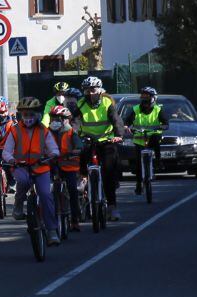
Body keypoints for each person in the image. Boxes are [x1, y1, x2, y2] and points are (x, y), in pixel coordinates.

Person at [4, 97, 60, 246]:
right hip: (21, 167)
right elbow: (7, 151)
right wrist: (11, 160)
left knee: (46, 195)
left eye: (30, 114)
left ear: (37, 115)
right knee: (23, 181)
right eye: (25, 114)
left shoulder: (44, 131)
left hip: (41, 167)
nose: (28, 118)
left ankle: (52, 231)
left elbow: (53, 148)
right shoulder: (15, 130)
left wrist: (53, 154)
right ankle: (18, 205)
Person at [70, 75, 125, 221]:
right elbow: (75, 121)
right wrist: (74, 132)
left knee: (108, 172)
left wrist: (119, 134)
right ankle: (83, 178)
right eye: (87, 90)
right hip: (88, 139)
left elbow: (116, 120)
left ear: (100, 90)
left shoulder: (107, 102)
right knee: (81, 152)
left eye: (93, 89)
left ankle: (112, 207)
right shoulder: (81, 103)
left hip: (107, 140)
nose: (90, 93)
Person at [123, 86, 169, 195]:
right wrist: (126, 127)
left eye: (148, 98)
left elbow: (165, 123)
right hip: (139, 138)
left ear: (153, 99)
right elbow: (127, 122)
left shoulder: (158, 109)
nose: (146, 104)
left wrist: (162, 127)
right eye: (143, 99)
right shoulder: (135, 109)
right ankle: (139, 184)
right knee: (139, 164)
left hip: (153, 136)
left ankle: (158, 161)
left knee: (156, 141)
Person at [48, 104, 83, 231]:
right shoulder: (46, 132)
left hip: (69, 166)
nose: (55, 121)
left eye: (58, 118)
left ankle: (75, 220)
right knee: (47, 192)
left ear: (66, 120)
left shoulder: (71, 132)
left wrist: (76, 150)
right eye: (53, 118)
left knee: (73, 190)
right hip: (52, 165)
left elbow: (79, 146)